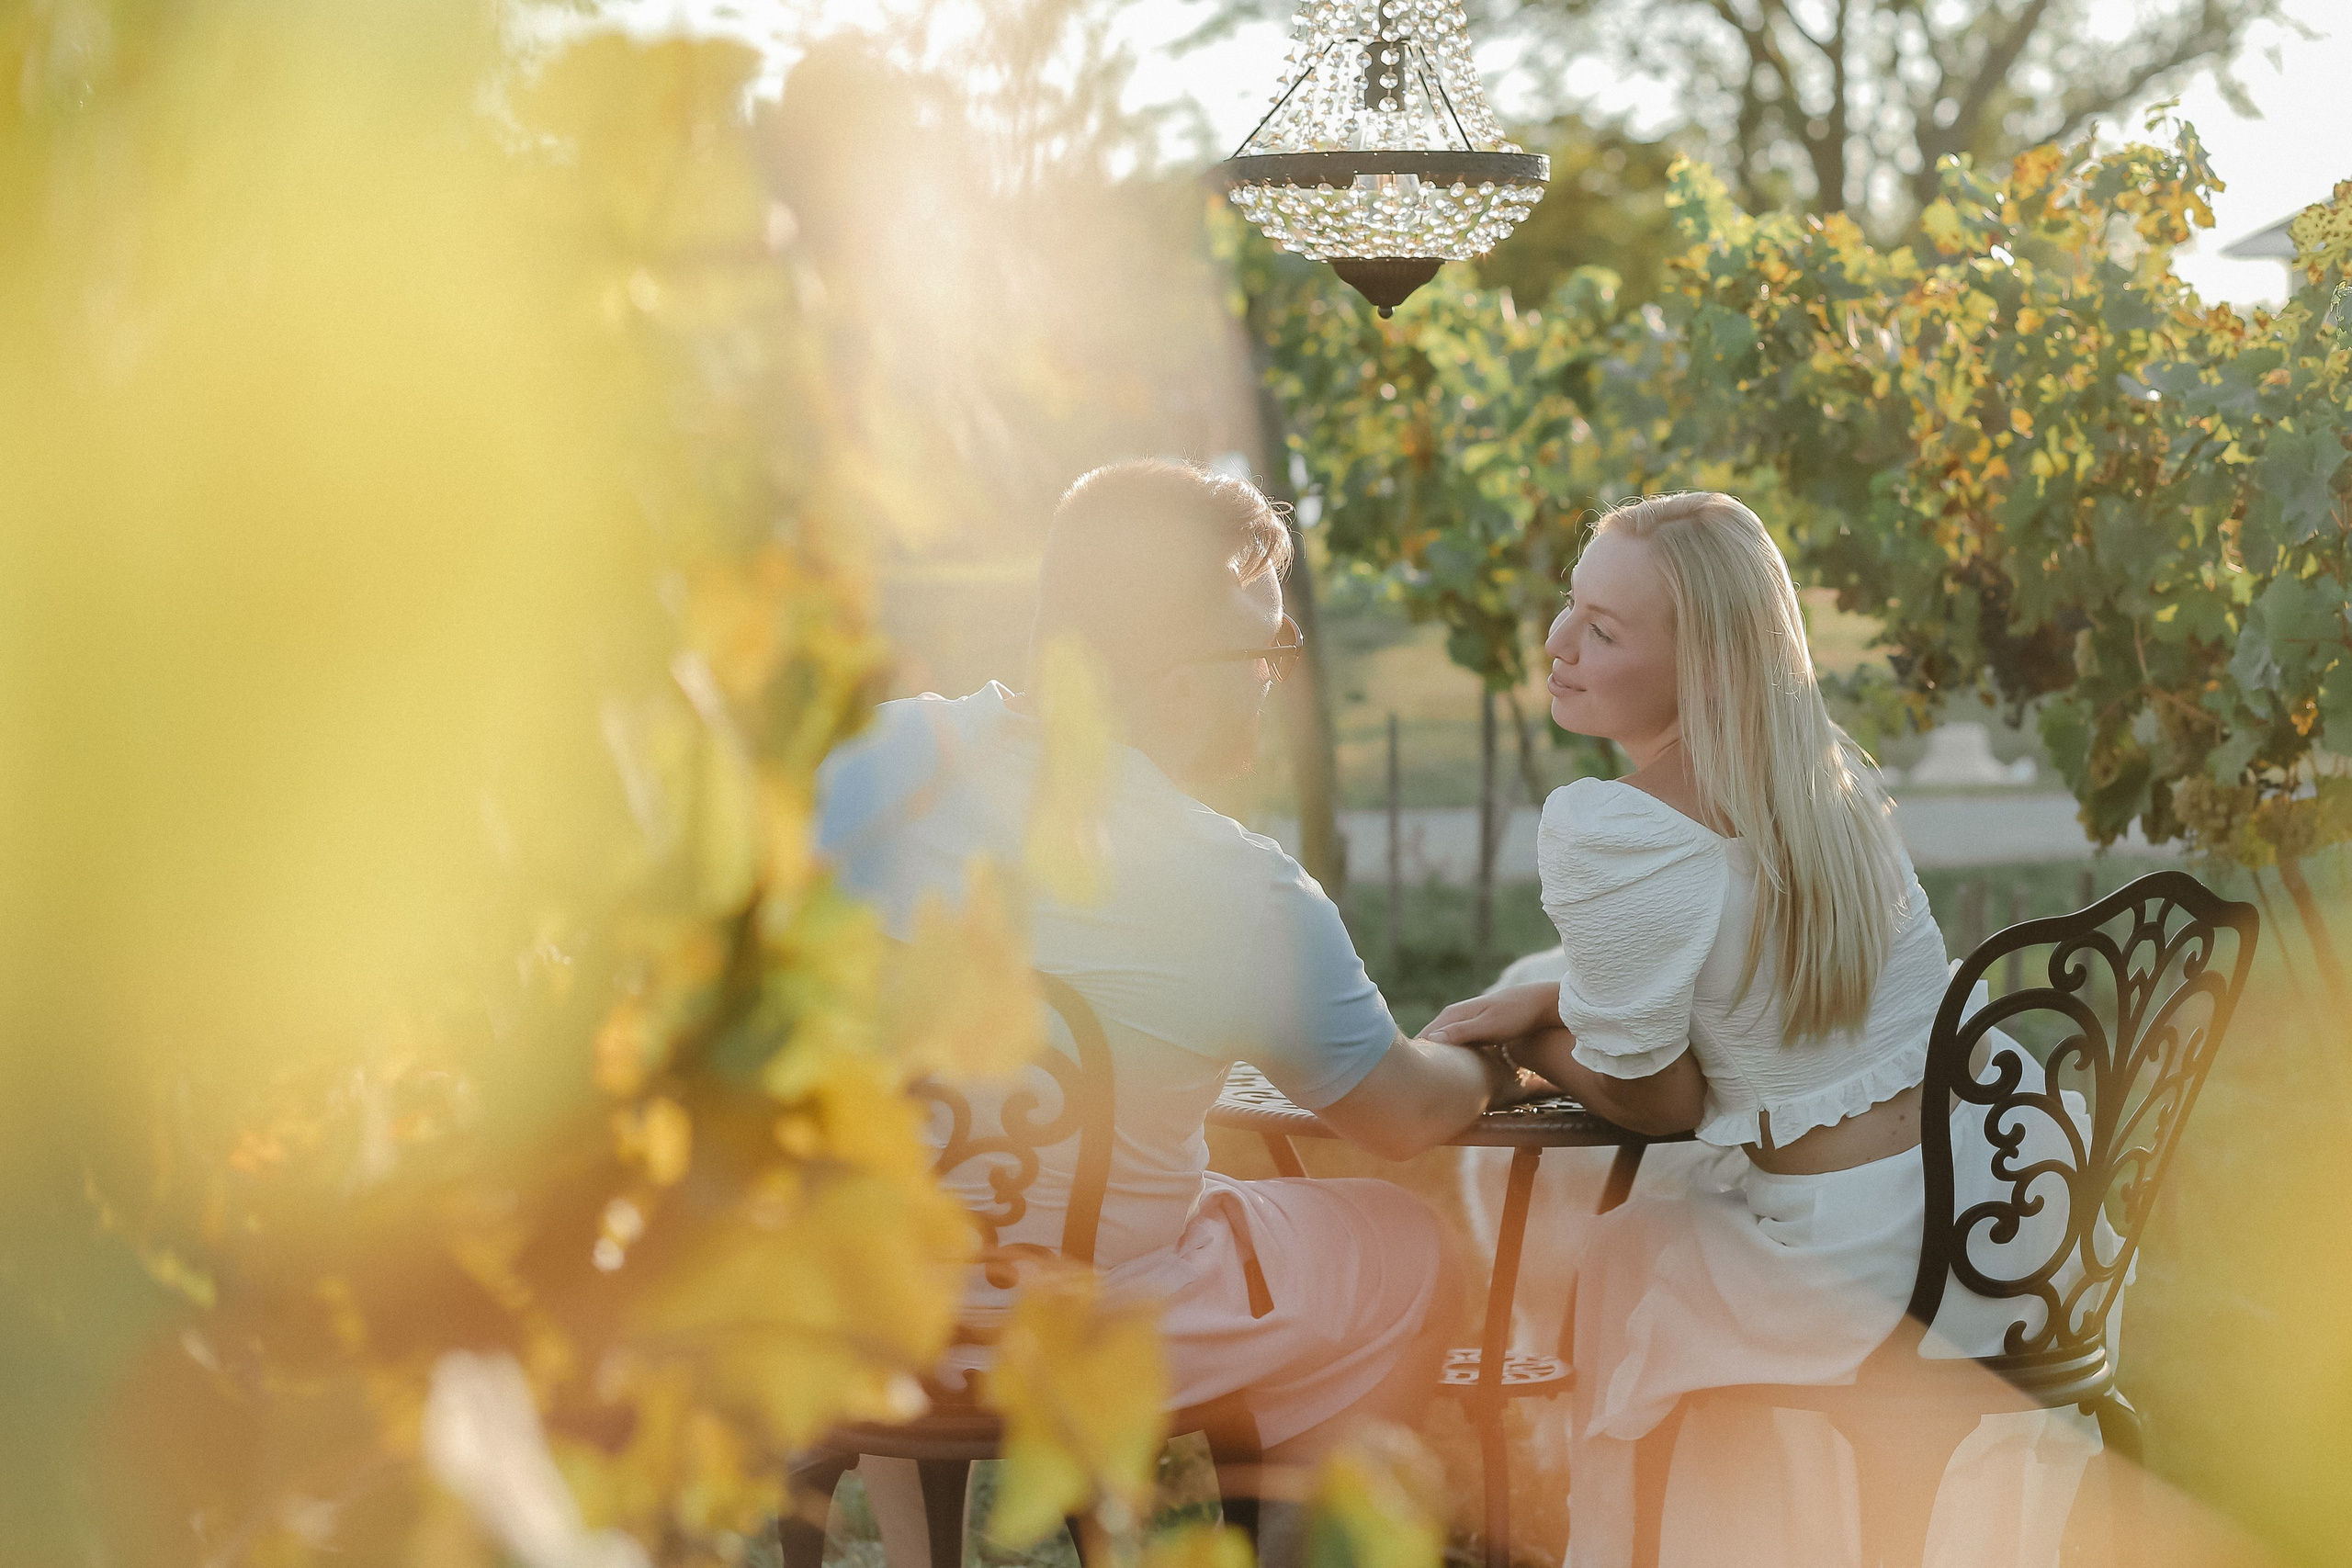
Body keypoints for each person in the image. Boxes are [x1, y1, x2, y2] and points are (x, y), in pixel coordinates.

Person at [817, 458, 1520, 1492]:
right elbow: (1400, 1120)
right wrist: (1498, 1060)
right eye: (1267, 652)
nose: (1274, 680)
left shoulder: (877, 757)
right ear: (1185, 687)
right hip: (1088, 1330)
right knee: (1404, 1248)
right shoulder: (1233, 889)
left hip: (848, 1310)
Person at [1422, 491, 1969, 1566]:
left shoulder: (1616, 829)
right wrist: (1550, 998)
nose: (1559, 643)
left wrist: (1525, 1042)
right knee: (1656, 1234)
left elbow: (1661, 1104)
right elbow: (1765, 1005)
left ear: (1706, 669)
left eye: (1604, 629)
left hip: (1851, 1272)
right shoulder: (1827, 783)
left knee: (1629, 1250)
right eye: (1571, 606)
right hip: (1992, 1220)